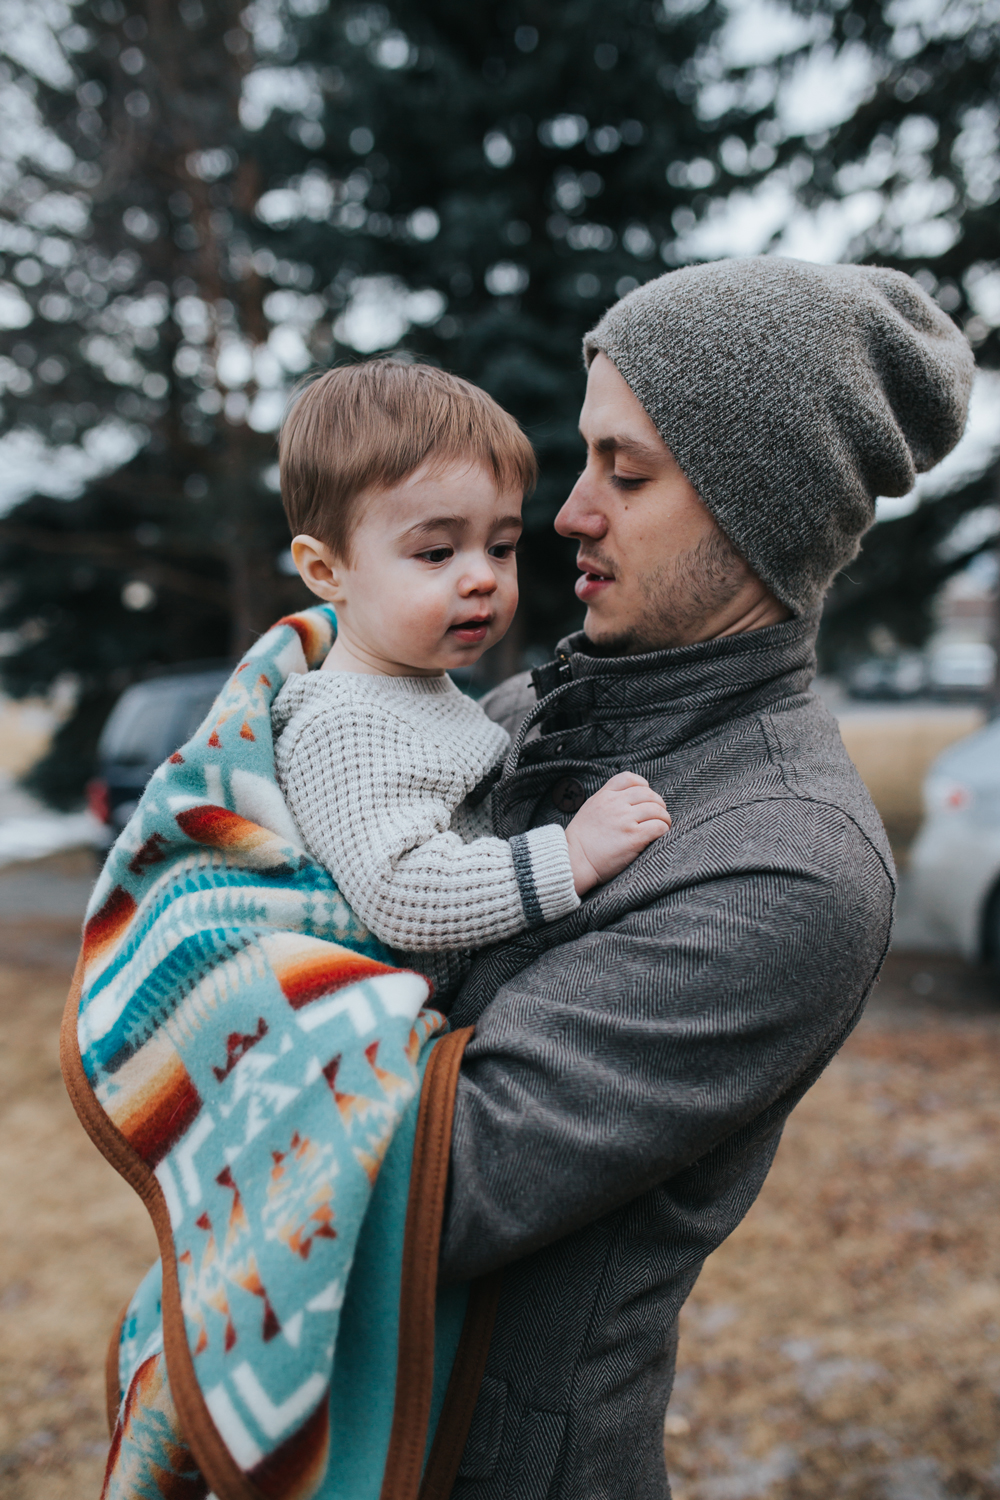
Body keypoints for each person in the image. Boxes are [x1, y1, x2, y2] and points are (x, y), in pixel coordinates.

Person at [436, 258, 975, 1499]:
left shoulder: (786, 860)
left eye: (626, 473)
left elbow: (442, 1185)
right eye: (585, 462)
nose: (571, 510)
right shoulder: (527, 709)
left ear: (759, 508)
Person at [271, 360, 671, 998]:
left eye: (500, 547)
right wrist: (571, 857)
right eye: (436, 552)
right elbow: (401, 892)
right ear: (325, 571)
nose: (482, 576)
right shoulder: (342, 725)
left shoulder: (418, 691)